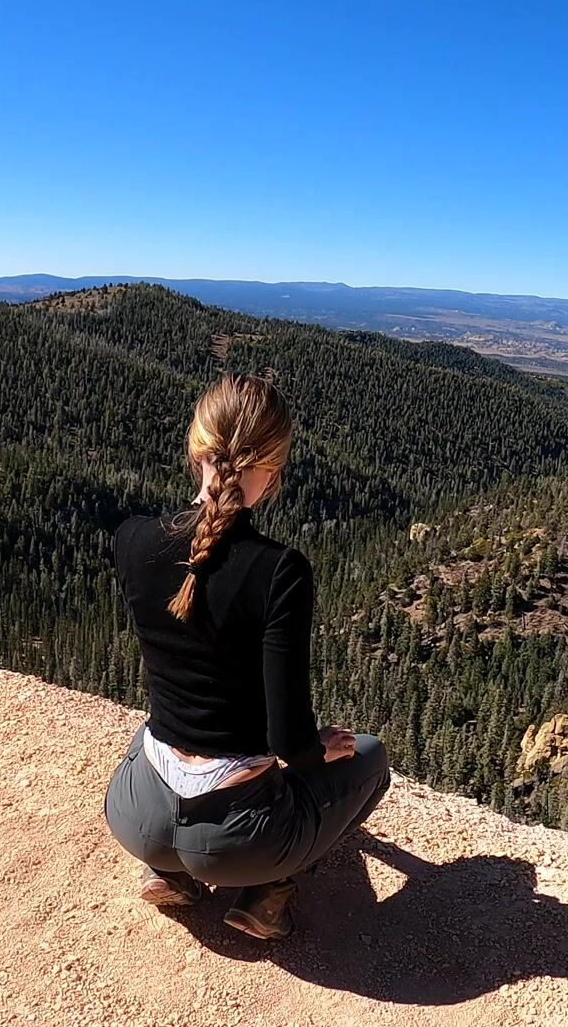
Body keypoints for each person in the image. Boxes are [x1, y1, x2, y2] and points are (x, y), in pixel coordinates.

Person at [103, 373, 391, 940]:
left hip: (136, 818)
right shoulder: (281, 571)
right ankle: (268, 891)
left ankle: (167, 871)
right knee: (371, 757)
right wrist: (318, 747)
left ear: (196, 451)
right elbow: (289, 742)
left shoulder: (132, 539)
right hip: (240, 842)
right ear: (274, 470)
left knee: (153, 728)